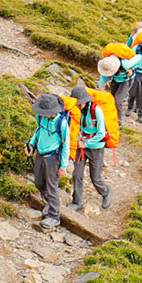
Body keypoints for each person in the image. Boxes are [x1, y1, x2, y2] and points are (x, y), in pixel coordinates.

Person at [26, 92, 72, 230]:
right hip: (40, 153)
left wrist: (63, 166)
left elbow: (66, 146)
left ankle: (54, 216)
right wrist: (32, 144)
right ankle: (49, 203)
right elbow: (38, 131)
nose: (43, 114)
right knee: (39, 182)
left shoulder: (62, 124)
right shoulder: (41, 118)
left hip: (53, 157)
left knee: (52, 186)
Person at [70, 77, 112, 209]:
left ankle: (105, 192)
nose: (77, 106)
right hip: (80, 146)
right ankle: (77, 202)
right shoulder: (75, 112)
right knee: (77, 174)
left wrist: (86, 143)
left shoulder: (96, 111)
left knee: (95, 177)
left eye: (79, 104)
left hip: (96, 148)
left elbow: (101, 133)